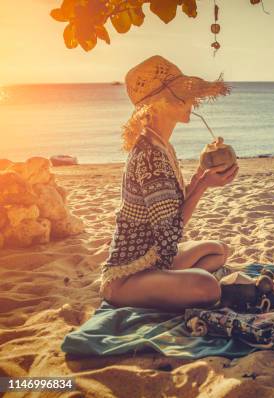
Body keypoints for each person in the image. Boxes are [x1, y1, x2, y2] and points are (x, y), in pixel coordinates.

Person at [99, 55, 238, 310]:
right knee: (207, 286)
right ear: (159, 104)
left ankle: (168, 285)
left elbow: (169, 207)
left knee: (218, 251)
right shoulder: (150, 155)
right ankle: (164, 287)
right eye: (182, 96)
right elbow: (171, 230)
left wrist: (199, 177)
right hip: (127, 275)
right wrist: (204, 185)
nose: (192, 102)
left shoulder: (161, 146)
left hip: (154, 259)